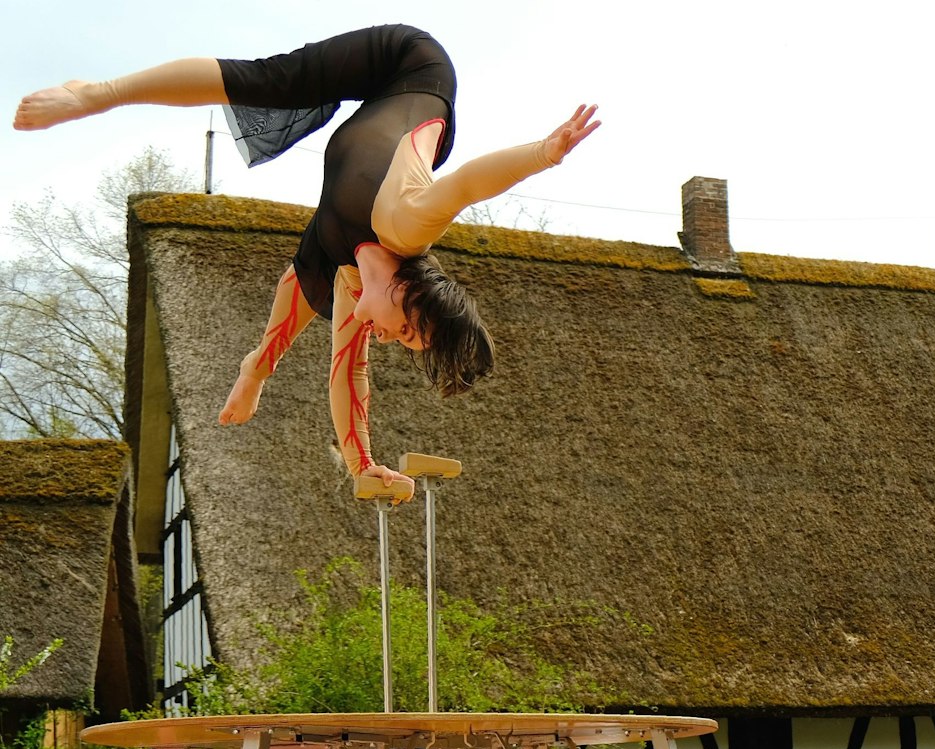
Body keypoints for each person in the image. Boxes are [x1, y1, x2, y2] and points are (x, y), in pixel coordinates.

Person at [15, 27, 600, 496]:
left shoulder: (351, 279)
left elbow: (348, 373)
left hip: (343, 213)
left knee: (306, 283)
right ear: (408, 295)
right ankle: (95, 93)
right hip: (406, 68)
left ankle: (254, 368)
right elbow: (467, 185)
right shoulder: (408, 224)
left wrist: (360, 465)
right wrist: (543, 154)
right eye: (404, 333)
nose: (390, 340)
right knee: (267, 81)